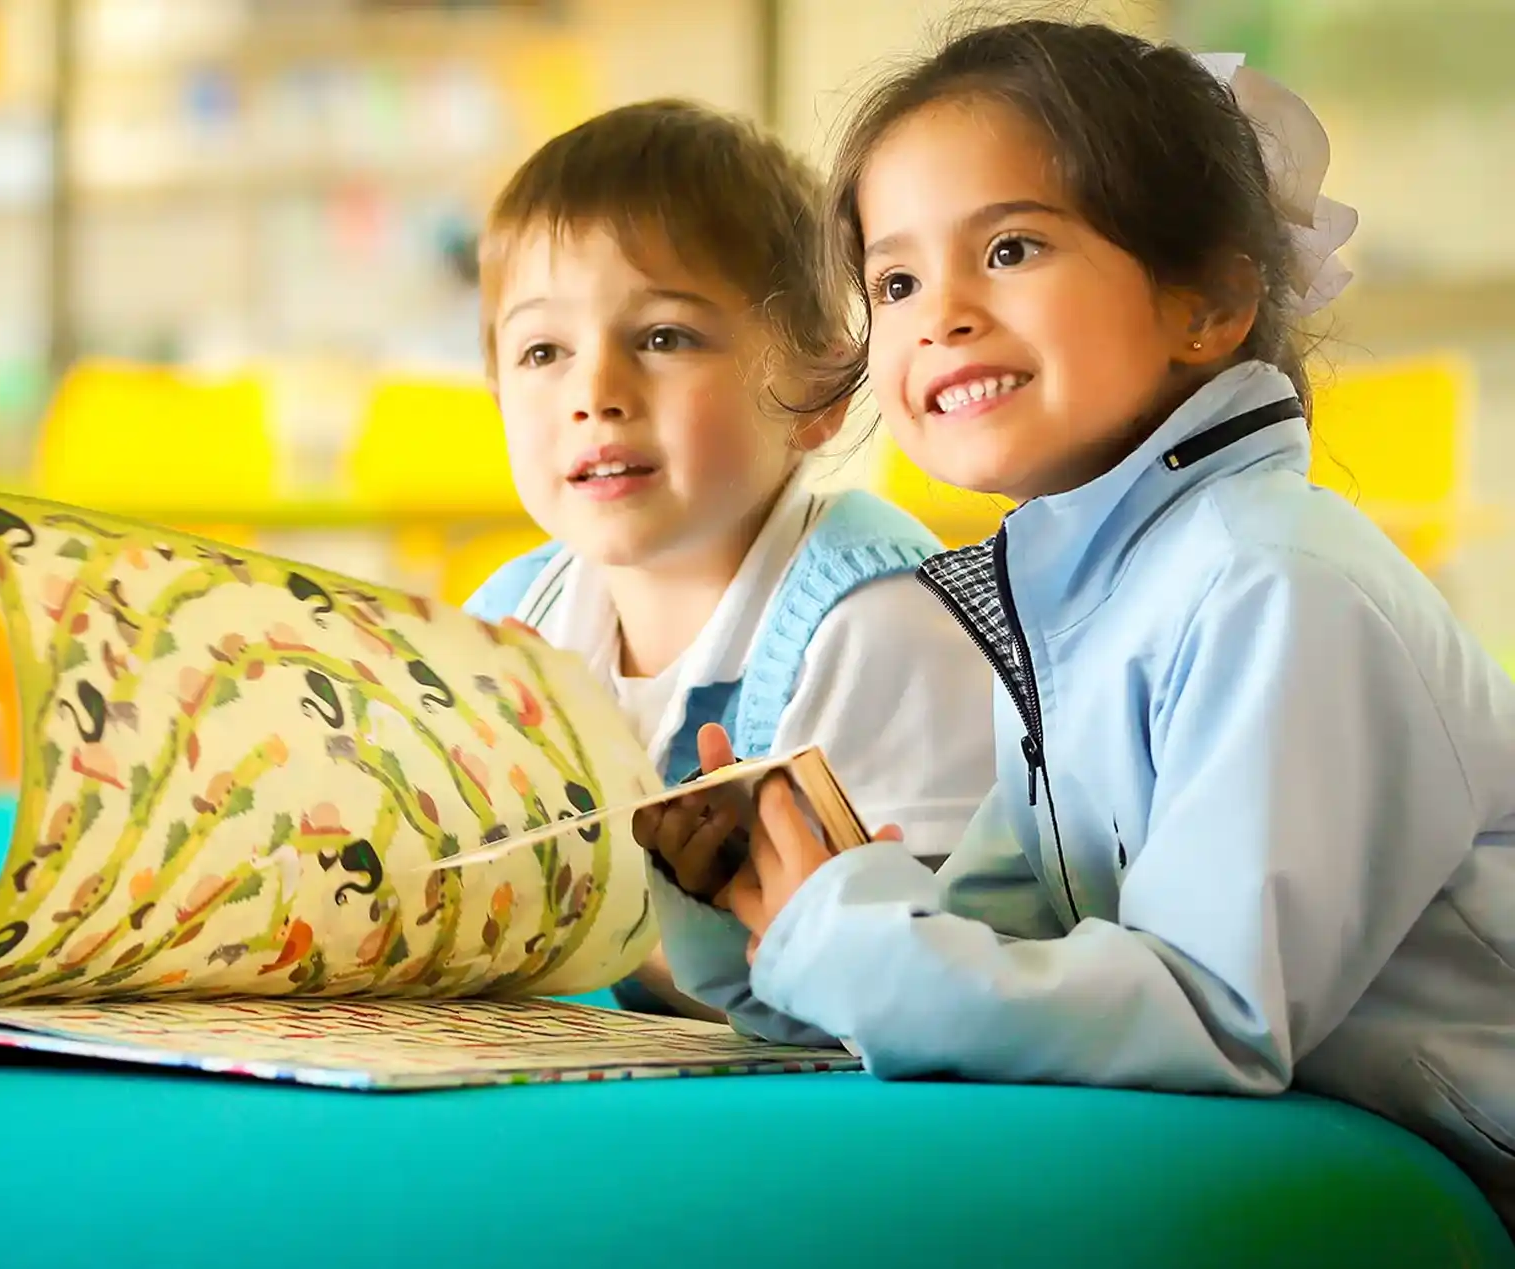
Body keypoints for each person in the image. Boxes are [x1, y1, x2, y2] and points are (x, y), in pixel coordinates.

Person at [644, 21, 1515, 1233]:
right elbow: (1027, 947)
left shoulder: (1271, 587)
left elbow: (1213, 1016)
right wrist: (786, 911)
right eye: (894, 281)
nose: (938, 313)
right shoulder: (1076, 600)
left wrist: (861, 946)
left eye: (1009, 248)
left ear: (1205, 303)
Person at [462, 99, 996, 1017]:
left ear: (818, 392)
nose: (595, 393)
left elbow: (931, 988)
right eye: (543, 349)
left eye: (664, 338)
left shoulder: (882, 620)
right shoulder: (507, 621)